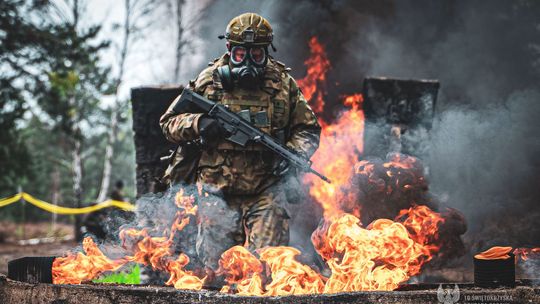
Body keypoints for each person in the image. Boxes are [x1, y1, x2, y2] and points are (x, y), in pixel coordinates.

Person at [159, 13, 321, 279]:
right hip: (217, 191)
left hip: (266, 190)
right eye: (240, 54)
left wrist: (294, 153)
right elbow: (168, 123)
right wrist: (199, 124)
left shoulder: (282, 84)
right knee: (216, 273)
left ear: (267, 52)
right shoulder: (208, 81)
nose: (247, 62)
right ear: (229, 49)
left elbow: (308, 129)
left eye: (256, 55)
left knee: (268, 270)